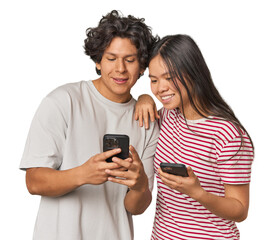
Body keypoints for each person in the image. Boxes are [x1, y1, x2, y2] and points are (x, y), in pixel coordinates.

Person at [20, 10, 159, 240]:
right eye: (111, 58)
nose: (120, 69)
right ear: (97, 61)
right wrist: (83, 174)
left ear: (143, 67)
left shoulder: (147, 122)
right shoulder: (63, 101)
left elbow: (136, 208)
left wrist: (139, 184)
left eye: (130, 60)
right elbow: (34, 182)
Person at [135, 34, 254, 239]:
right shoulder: (167, 116)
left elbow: (240, 210)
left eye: (169, 78)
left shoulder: (227, 133)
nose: (160, 88)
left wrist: (198, 193)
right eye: (154, 80)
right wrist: (144, 98)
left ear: (193, 73)